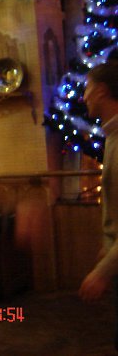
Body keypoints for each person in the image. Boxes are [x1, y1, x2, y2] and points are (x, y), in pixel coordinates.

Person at [79, 61, 118, 350]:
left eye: (88, 88)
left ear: (102, 91)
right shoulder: (112, 135)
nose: (84, 97)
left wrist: (102, 272)